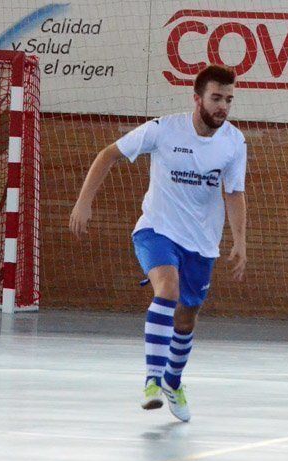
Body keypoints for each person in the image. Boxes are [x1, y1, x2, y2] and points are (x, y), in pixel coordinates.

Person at [69, 65, 248, 422]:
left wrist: (240, 239)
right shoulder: (163, 129)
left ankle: (173, 381)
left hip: (202, 242)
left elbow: (235, 193)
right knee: (167, 289)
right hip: (157, 230)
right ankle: (151, 380)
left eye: (228, 100)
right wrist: (83, 201)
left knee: (187, 317)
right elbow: (108, 154)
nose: (223, 106)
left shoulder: (234, 142)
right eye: (216, 98)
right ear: (197, 99)